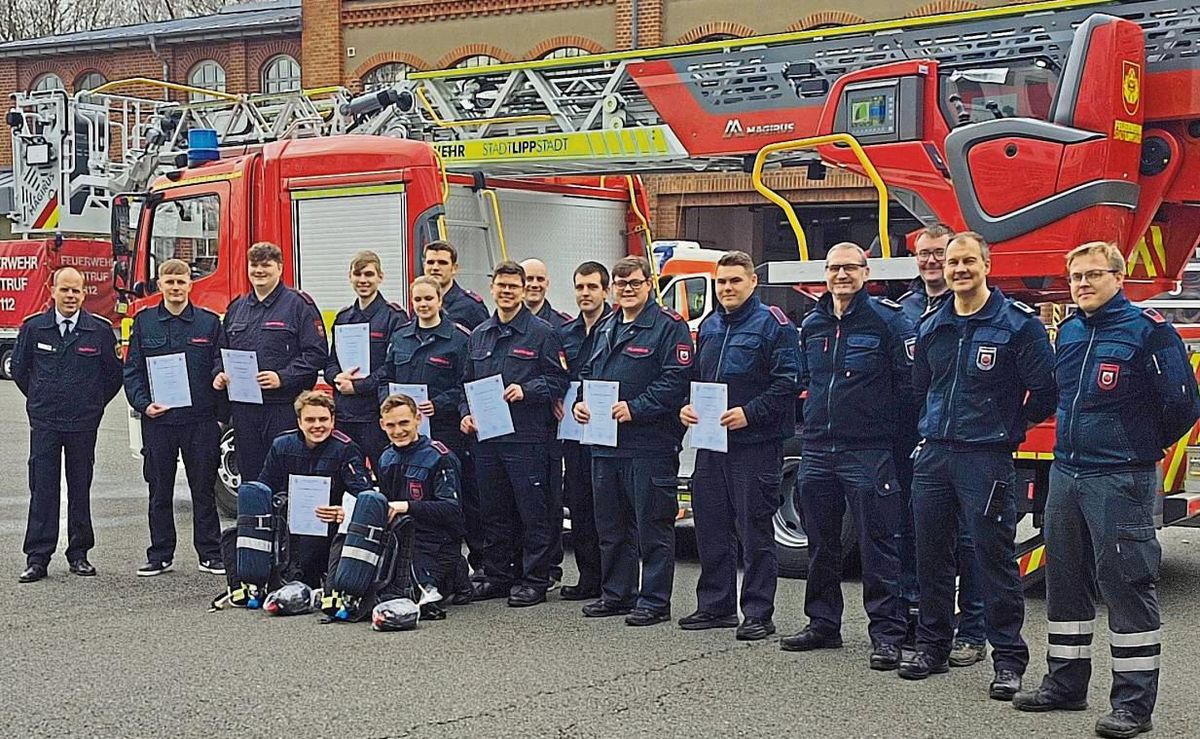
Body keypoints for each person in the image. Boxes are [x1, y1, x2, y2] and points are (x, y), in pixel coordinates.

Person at [1014, 242, 1200, 739]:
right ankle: (1065, 684)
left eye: (1093, 274)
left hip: (1120, 478)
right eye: (1075, 276)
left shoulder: (1150, 333)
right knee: (1066, 584)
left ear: (1119, 277)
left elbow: (1182, 405)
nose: (1082, 284)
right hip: (1068, 475)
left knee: (1127, 586)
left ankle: (1134, 705)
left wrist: (1134, 446)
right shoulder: (1071, 330)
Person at [902, 231, 1057, 703]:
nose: (959, 269)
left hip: (986, 458)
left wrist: (1009, 424)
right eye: (953, 262)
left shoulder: (1018, 326)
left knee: (993, 560)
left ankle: (1008, 660)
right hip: (935, 455)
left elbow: (1046, 392)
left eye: (969, 261)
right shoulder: (933, 324)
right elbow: (921, 386)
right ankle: (932, 646)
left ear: (987, 265)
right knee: (930, 556)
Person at [779, 243, 914, 666]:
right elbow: (806, 381)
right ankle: (822, 623)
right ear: (825, 272)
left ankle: (887, 634)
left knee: (878, 545)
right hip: (818, 449)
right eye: (834, 267)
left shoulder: (888, 321)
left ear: (865, 271)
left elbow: (910, 388)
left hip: (868, 451)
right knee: (821, 543)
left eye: (849, 268)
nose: (841, 275)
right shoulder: (813, 323)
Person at [680, 250, 799, 641]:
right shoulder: (711, 326)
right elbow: (697, 378)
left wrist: (750, 413)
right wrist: (688, 408)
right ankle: (716, 605)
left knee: (754, 530)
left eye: (734, 281)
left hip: (755, 444)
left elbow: (788, 383)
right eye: (721, 282)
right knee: (711, 525)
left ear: (752, 283)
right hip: (711, 443)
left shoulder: (773, 325)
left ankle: (758, 613)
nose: (727, 288)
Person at [574, 255, 693, 627]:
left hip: (649, 444)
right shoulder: (608, 324)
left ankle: (654, 601)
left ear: (649, 285)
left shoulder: (668, 326)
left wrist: (636, 408)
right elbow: (590, 372)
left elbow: (676, 380)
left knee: (652, 525)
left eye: (634, 284)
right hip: (605, 443)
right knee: (610, 526)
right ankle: (617, 593)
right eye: (621, 284)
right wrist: (581, 403)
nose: (627, 290)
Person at [899, 223, 988, 666]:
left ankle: (971, 631)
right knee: (924, 543)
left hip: (972, 447)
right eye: (926, 254)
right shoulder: (905, 310)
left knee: (970, 544)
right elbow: (911, 384)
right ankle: (925, 628)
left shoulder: (984, 311)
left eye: (942, 253)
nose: (933, 261)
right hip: (920, 442)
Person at [461, 261, 569, 607]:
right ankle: (497, 575)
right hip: (488, 440)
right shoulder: (479, 335)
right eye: (501, 285)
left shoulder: (542, 333)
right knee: (493, 512)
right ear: (492, 288)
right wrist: (465, 415)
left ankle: (535, 579)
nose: (506, 291)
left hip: (527, 438)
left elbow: (559, 380)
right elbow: (465, 384)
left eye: (513, 286)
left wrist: (527, 389)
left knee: (532, 512)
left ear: (524, 291)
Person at [14, 267, 123, 583]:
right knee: (43, 488)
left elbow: (112, 376)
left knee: (80, 487)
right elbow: (21, 372)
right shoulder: (34, 329)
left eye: (76, 290)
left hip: (82, 423)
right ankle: (37, 558)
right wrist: (40, 400)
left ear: (84, 294)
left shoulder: (98, 330)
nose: (71, 296)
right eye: (65, 290)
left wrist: (92, 405)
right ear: (53, 290)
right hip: (46, 422)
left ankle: (79, 554)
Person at [123, 259, 226, 577]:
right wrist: (143, 405)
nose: (176, 287)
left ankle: (210, 554)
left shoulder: (209, 323)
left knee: (203, 489)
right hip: (159, 421)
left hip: (200, 421)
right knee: (159, 490)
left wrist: (219, 378)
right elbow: (133, 371)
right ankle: (160, 554)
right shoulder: (145, 322)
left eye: (181, 281)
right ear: (160, 284)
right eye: (170, 282)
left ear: (190, 284)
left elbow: (218, 363)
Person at [220, 391, 372, 595]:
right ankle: (250, 584)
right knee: (234, 534)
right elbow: (265, 489)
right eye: (310, 419)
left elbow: (365, 496)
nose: (317, 425)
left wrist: (344, 512)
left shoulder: (346, 449)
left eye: (323, 419)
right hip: (289, 521)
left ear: (333, 420)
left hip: (328, 526)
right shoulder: (282, 444)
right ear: (299, 421)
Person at [381, 275, 475, 602]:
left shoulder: (458, 339)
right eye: (417, 300)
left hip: (445, 431)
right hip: (404, 434)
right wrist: (388, 405)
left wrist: (441, 404)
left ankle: (460, 563)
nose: (422, 305)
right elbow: (386, 377)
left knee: (449, 498)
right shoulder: (401, 337)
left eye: (428, 299)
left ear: (439, 301)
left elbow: (468, 384)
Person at [214, 242, 328, 483]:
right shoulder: (237, 308)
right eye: (254, 265)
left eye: (266, 265)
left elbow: (317, 353)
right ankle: (253, 521)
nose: (259, 271)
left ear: (280, 268)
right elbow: (220, 352)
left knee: (286, 475)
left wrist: (283, 377)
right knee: (251, 476)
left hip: (284, 407)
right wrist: (220, 373)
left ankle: (284, 522)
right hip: (245, 410)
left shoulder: (298, 305)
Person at [556, 261, 612, 601]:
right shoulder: (566, 333)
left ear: (605, 291)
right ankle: (589, 578)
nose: (585, 293)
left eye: (592, 287)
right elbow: (557, 376)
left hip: (607, 428)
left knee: (608, 507)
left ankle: (613, 580)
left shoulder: (617, 327)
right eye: (580, 287)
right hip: (573, 428)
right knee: (579, 504)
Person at [324, 250, 409, 471]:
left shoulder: (394, 317)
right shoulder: (343, 318)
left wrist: (359, 387)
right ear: (350, 276)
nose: (363, 280)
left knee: (385, 473)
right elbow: (330, 362)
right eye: (358, 274)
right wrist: (336, 377)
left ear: (380, 277)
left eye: (369, 274)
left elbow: (392, 368)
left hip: (375, 413)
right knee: (346, 475)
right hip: (344, 413)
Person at [521, 257, 573, 586]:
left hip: (552, 425)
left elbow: (567, 374)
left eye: (540, 278)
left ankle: (550, 566)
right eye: (528, 279)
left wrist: (562, 400)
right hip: (517, 426)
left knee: (550, 498)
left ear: (548, 283)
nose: (534, 284)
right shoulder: (504, 323)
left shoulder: (561, 326)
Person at [423, 240, 489, 330]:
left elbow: (485, 341)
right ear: (424, 266)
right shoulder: (420, 304)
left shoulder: (471, 307)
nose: (435, 268)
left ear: (454, 268)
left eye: (442, 263)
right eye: (430, 262)